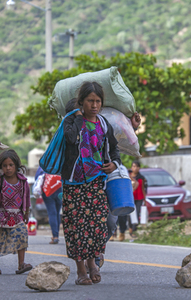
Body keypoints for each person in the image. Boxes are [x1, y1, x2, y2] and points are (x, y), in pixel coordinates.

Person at [62, 81, 121, 285]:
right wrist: (78, 118)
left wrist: (114, 163)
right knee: (77, 226)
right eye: (90, 101)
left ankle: (92, 263)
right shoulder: (70, 122)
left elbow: (115, 149)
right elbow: (70, 139)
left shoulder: (104, 124)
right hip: (74, 183)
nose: (94, 105)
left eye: (97, 101)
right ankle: (81, 270)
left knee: (96, 225)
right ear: (81, 102)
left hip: (97, 182)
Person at [0, 149, 32, 275]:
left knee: (22, 235)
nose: (8, 168)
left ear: (16, 166)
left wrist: (27, 213)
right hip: (1, 215)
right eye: (5, 166)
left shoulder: (23, 182)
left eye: (11, 165)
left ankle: (21, 264)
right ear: (1, 167)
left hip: (17, 215)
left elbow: (27, 198)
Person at [41, 173, 62, 244]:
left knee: (52, 213)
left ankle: (55, 236)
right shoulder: (59, 163)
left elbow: (38, 178)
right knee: (57, 213)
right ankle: (56, 236)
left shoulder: (44, 164)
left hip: (48, 190)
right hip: (59, 189)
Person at [129, 161, 147, 236]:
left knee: (136, 214)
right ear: (131, 167)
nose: (135, 168)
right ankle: (130, 228)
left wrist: (145, 199)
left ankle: (134, 230)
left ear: (139, 168)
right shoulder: (128, 176)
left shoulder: (141, 178)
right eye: (133, 166)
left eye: (137, 166)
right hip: (130, 198)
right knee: (130, 213)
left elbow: (143, 188)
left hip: (139, 197)